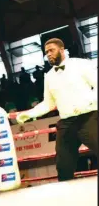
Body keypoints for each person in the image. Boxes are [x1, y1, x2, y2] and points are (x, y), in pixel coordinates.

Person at [16, 38, 97, 181]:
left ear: (61, 49)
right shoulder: (49, 76)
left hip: (89, 117)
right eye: (46, 52)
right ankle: (65, 198)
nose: (48, 54)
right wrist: (28, 114)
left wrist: (88, 102)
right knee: (63, 165)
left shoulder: (81, 64)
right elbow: (48, 103)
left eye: (51, 50)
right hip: (66, 123)